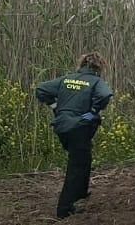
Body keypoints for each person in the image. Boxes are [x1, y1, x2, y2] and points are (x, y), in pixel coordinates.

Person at [35, 52, 113, 219]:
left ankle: (81, 192)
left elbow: (41, 89)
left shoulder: (67, 79)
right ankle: (64, 209)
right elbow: (105, 95)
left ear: (82, 64)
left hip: (62, 126)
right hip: (78, 126)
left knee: (84, 158)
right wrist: (93, 112)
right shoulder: (96, 81)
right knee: (76, 166)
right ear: (99, 67)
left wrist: (55, 106)